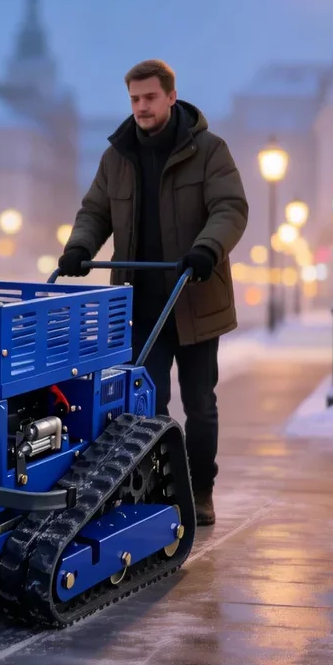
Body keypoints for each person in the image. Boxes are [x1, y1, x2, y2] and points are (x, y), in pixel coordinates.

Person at [57, 59, 248, 527]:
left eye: (149, 98)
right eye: (134, 99)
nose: (141, 107)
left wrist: (207, 249)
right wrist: (80, 247)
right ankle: (162, 489)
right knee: (147, 404)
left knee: (201, 405)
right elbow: (95, 211)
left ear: (170, 98)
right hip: (140, 305)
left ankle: (201, 489)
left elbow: (230, 207)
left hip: (196, 298)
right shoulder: (117, 157)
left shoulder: (208, 150)